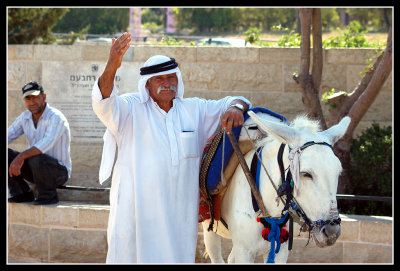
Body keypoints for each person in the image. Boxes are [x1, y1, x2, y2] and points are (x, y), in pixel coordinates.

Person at [92, 32, 251, 263]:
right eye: (159, 79)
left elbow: (236, 100)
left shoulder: (194, 110)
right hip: (137, 212)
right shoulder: (130, 109)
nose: (167, 83)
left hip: (179, 216)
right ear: (146, 84)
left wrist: (236, 107)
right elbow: (103, 101)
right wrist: (112, 65)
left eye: (171, 77)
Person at [8, 81, 71, 205]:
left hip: (58, 172)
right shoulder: (25, 117)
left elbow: (46, 144)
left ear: (44, 96)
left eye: (36, 97)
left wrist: (20, 157)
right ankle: (22, 193)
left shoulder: (56, 117)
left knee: (35, 158)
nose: (32, 102)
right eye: (28, 98)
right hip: (35, 170)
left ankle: (48, 196)